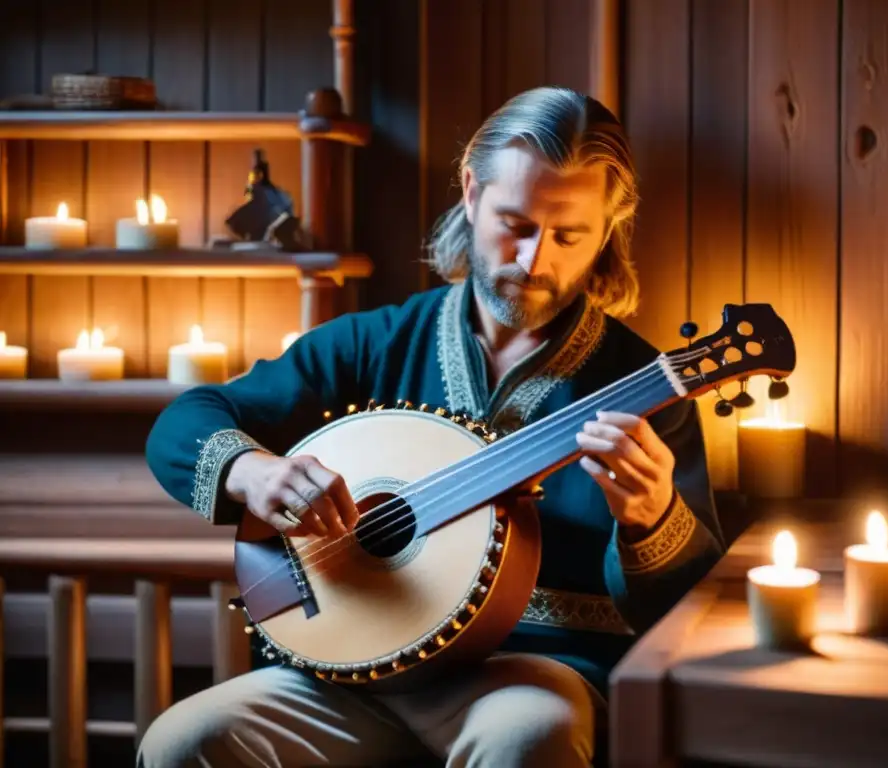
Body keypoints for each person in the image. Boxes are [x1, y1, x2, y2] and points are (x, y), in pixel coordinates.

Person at [138, 86, 725, 768]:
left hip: (529, 676)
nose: (535, 260)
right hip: (350, 669)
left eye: (569, 236)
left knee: (527, 737)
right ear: (472, 194)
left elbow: (689, 606)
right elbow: (185, 422)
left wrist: (653, 517)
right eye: (516, 222)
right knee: (183, 742)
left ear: (607, 231)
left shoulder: (646, 388)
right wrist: (256, 472)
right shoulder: (375, 343)